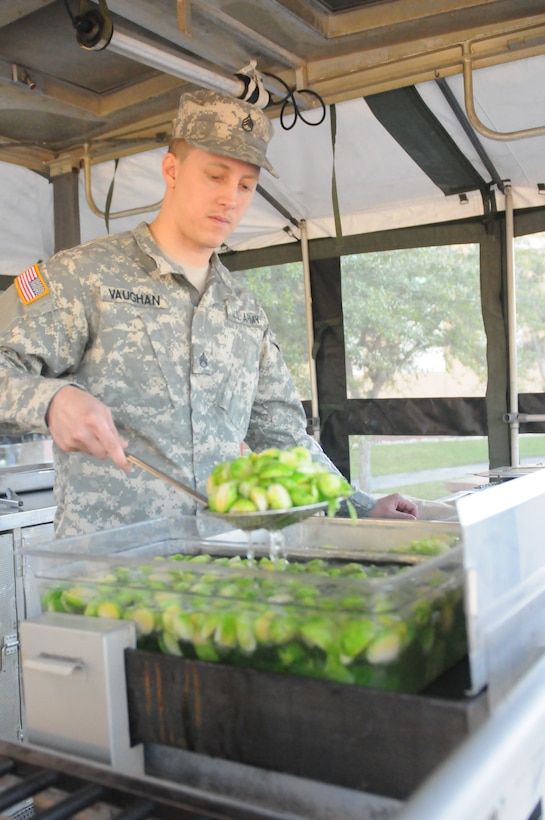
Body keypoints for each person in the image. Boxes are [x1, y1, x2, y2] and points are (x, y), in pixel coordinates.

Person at [0, 89, 417, 536]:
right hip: (111, 574)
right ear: (172, 170)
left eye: (245, 186)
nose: (230, 200)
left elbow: (283, 438)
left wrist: (356, 506)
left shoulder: (244, 310)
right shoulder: (83, 276)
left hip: (218, 567)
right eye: (215, 176)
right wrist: (52, 402)